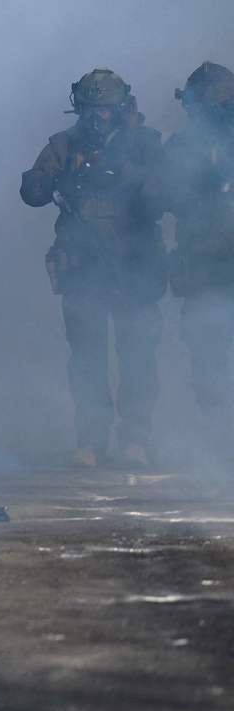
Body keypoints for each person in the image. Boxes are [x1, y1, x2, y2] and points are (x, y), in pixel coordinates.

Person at [21, 68, 165, 468]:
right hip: (84, 268)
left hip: (134, 266)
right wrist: (57, 181)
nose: (96, 118)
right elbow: (30, 190)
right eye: (89, 110)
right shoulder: (64, 145)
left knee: (137, 356)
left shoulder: (145, 144)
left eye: (104, 111)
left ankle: (135, 437)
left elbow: (169, 194)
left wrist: (131, 177)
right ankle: (91, 439)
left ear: (120, 109)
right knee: (86, 360)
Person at [160, 62, 234, 460]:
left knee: (208, 354)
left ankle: (220, 438)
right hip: (204, 263)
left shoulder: (187, 143)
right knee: (207, 353)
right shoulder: (185, 145)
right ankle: (220, 438)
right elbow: (163, 195)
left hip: (210, 260)